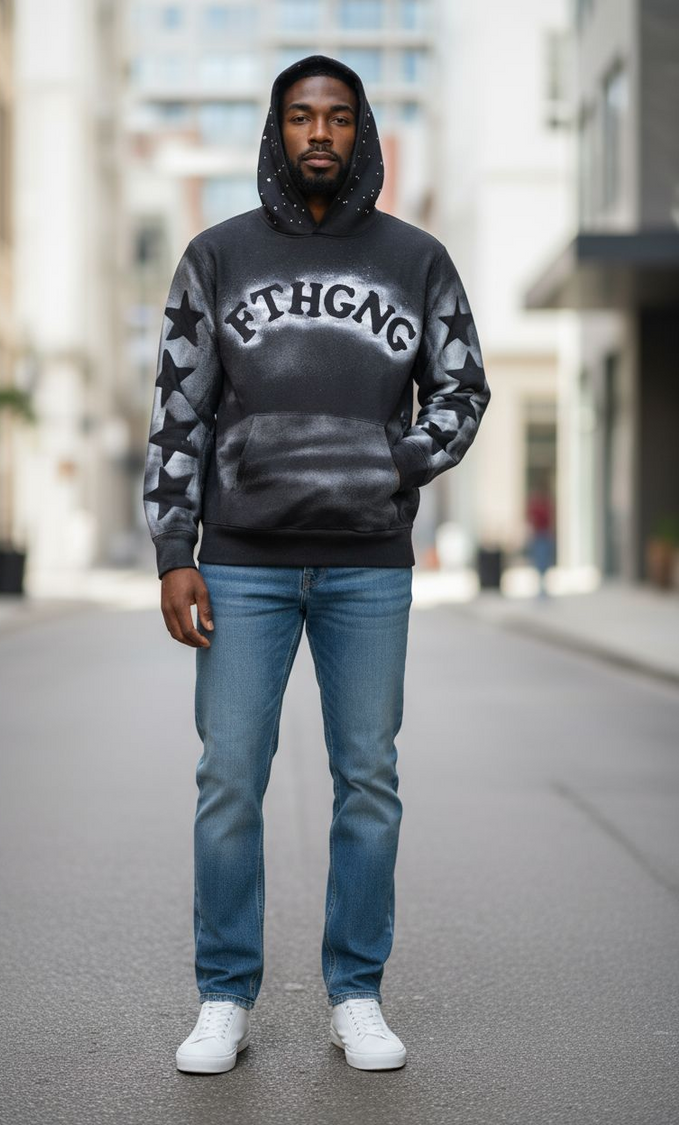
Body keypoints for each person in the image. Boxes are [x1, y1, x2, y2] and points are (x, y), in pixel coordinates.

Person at [143, 54, 491, 1074]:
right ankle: (223, 996)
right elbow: (178, 407)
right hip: (242, 561)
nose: (320, 134)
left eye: (338, 117)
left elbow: (463, 391)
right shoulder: (217, 255)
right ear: (277, 130)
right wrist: (173, 550)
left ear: (362, 130)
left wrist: (393, 463)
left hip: (368, 565)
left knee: (368, 780)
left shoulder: (417, 258)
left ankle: (356, 992)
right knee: (229, 780)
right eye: (302, 117)